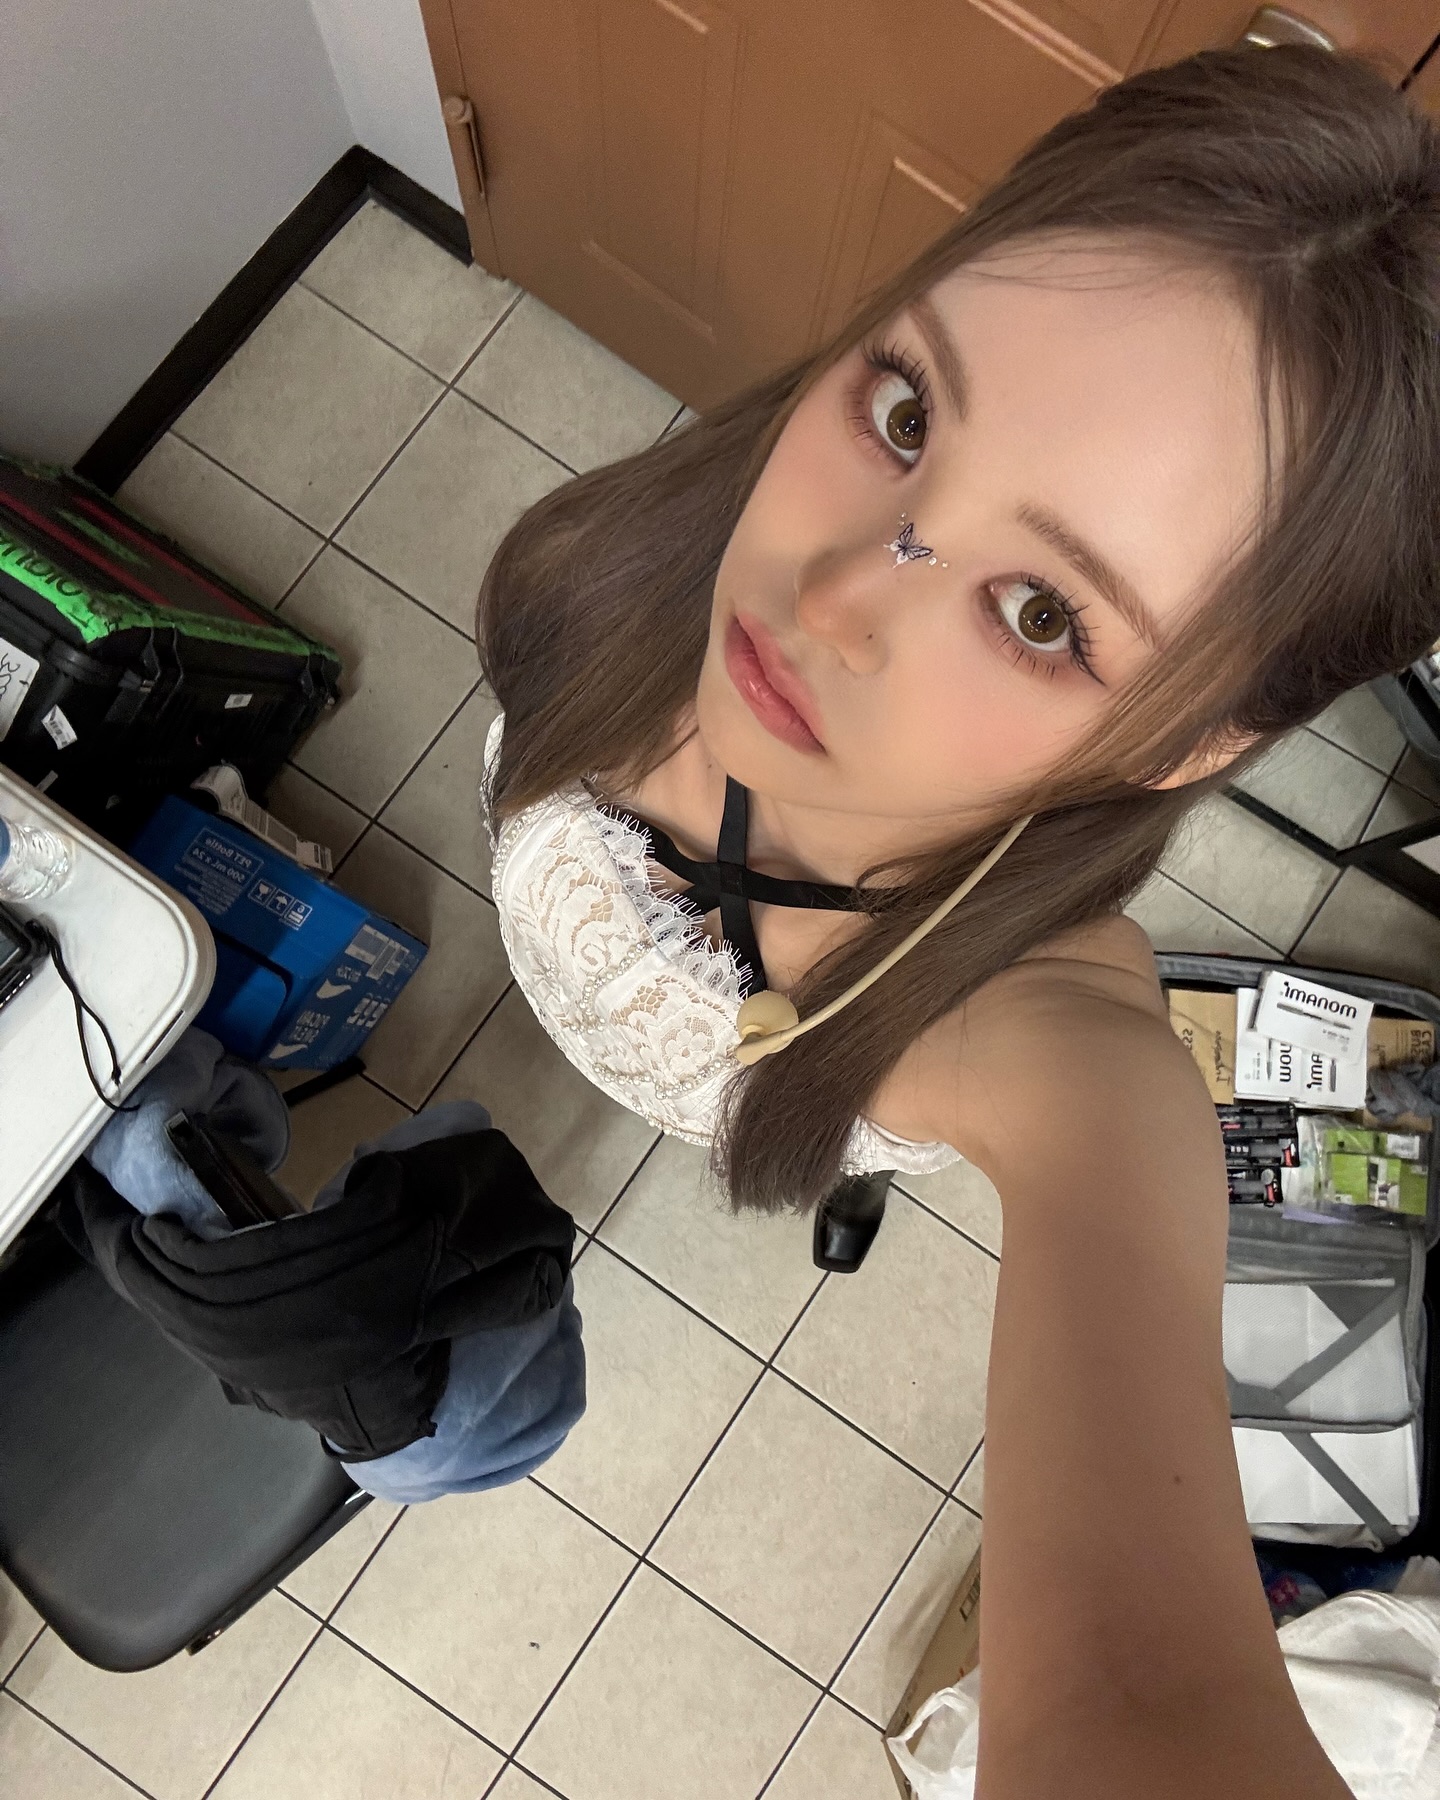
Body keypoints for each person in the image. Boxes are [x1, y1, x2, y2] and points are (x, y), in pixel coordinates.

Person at [476, 45, 1439, 1800]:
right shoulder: (666, 542)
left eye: (1042, 611)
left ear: (1197, 743)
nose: (832, 594)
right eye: (910, 413)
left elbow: (1148, 1717)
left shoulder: (1050, 1022)